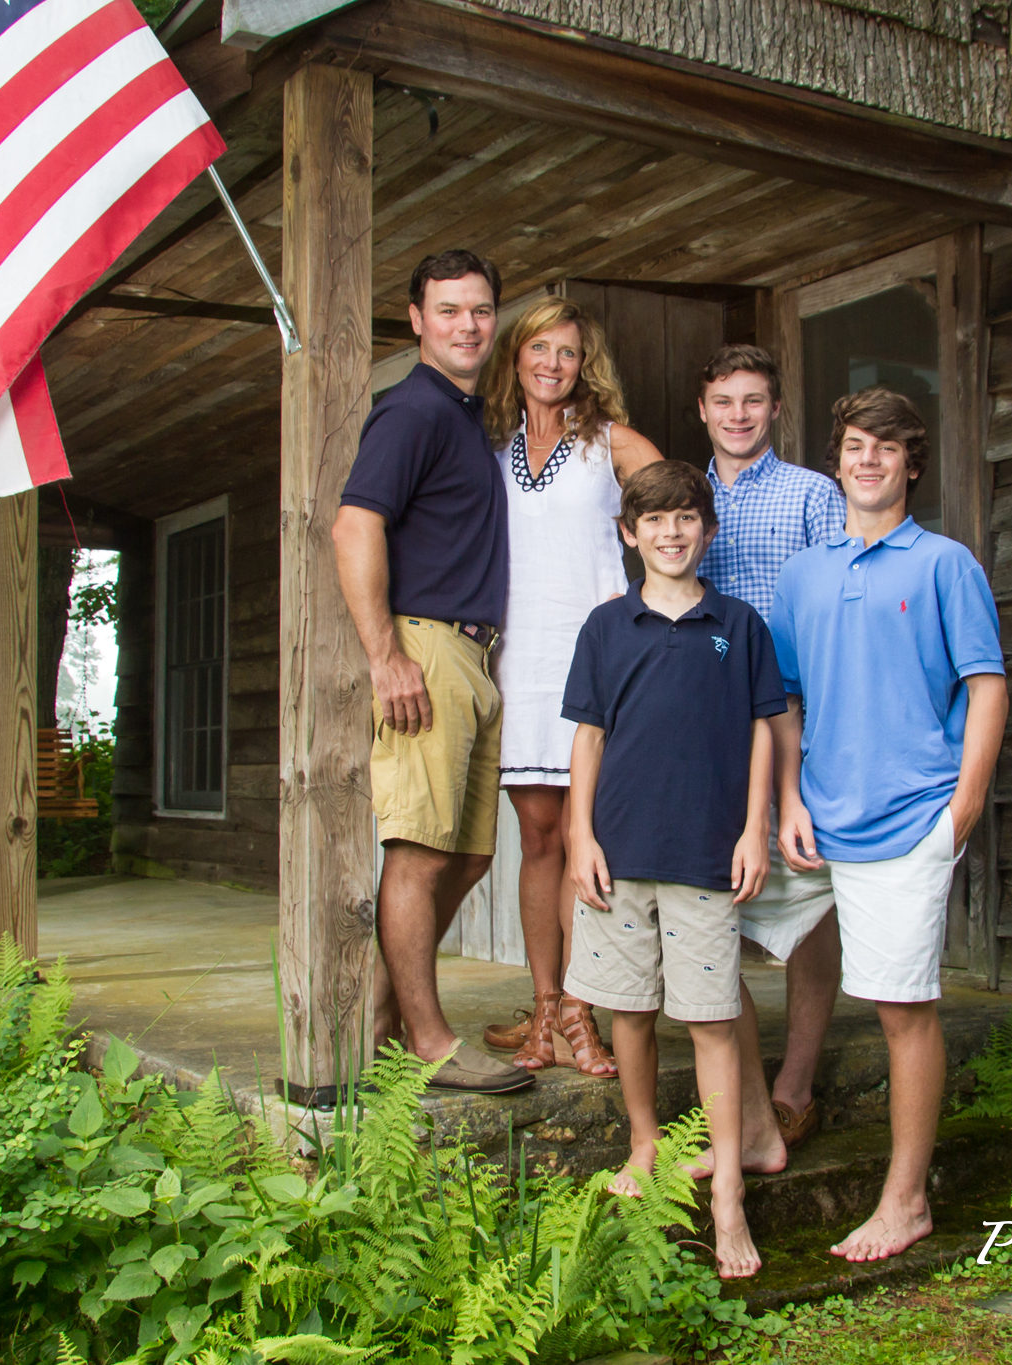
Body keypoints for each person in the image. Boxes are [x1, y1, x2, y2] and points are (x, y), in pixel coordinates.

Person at [769, 387, 1007, 1262]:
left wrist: (962, 806)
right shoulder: (805, 574)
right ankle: (752, 1131)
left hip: (911, 816)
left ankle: (904, 1199)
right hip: (814, 817)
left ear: (912, 462)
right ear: (837, 461)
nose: (869, 459)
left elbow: (987, 686)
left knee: (901, 1007)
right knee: (704, 932)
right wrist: (789, 797)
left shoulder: (946, 564)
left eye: (887, 447)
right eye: (856, 445)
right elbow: (786, 699)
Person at [560, 459, 782, 1279]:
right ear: (630, 533)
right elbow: (587, 737)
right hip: (620, 849)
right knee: (629, 1006)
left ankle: (727, 1187)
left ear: (708, 530)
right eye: (654, 520)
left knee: (713, 1016)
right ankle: (645, 1141)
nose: (672, 531)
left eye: (686, 517)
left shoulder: (740, 623)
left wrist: (754, 828)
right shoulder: (606, 627)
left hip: (705, 850)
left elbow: (765, 726)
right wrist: (581, 835)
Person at [331, 248, 533, 1095]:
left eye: (481, 309)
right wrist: (387, 657)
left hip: (476, 656)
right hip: (427, 648)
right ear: (416, 319)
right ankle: (427, 1037)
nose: (468, 324)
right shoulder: (411, 410)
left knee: (470, 854)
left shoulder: (463, 415)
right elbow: (352, 526)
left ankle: (383, 1015)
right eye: (448, 310)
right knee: (417, 852)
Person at [475, 297, 663, 1078]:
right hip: (521, 657)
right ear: (515, 358)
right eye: (539, 349)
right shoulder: (494, 453)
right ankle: (546, 1010)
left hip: (596, 662)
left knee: (593, 836)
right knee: (539, 838)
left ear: (586, 364)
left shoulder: (611, 444)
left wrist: (652, 617)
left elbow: (674, 513)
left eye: (568, 352)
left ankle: (585, 1008)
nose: (553, 364)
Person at [690, 345, 848, 1167]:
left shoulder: (814, 495)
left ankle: (794, 1083)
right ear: (704, 410)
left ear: (775, 409)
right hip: (711, 724)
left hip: (802, 712)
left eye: (754, 400)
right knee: (710, 895)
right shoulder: (686, 499)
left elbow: (839, 601)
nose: (739, 414)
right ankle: (743, 1100)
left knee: (807, 888)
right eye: (725, 401)